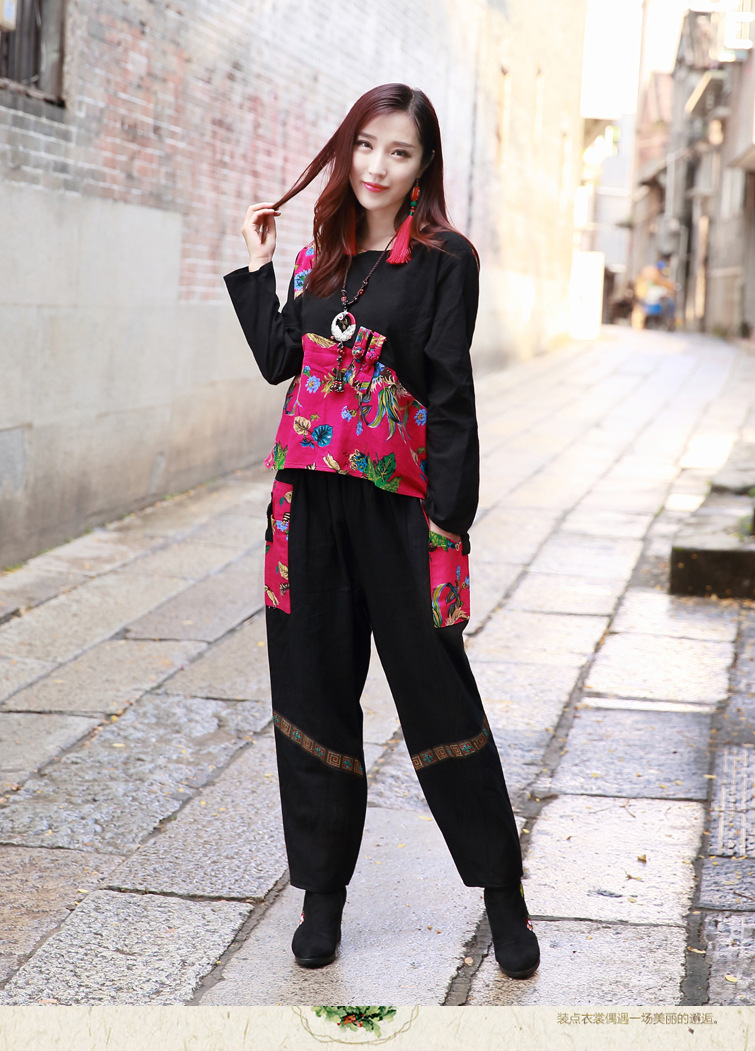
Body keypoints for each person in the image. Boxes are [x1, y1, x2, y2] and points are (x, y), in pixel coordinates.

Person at [224, 83, 539, 980]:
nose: (376, 166)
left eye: (398, 152)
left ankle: (502, 893)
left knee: (438, 695)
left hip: (399, 511)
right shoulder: (320, 252)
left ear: (422, 166)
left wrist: (449, 525)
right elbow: (279, 359)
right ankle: (321, 897)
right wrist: (257, 268)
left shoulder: (444, 260)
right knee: (312, 692)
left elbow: (449, 394)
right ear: (344, 149)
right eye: (365, 146)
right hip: (305, 510)